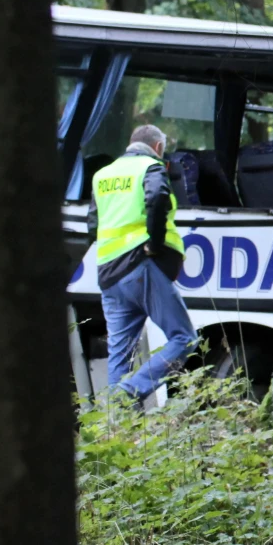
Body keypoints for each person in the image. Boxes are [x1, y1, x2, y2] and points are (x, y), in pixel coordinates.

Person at [88, 125, 197, 405]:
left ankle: (116, 421)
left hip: (108, 273)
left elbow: (92, 224)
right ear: (158, 147)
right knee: (184, 338)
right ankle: (129, 392)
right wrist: (155, 244)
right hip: (141, 266)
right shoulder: (150, 167)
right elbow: (158, 198)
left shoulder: (102, 174)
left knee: (120, 355)